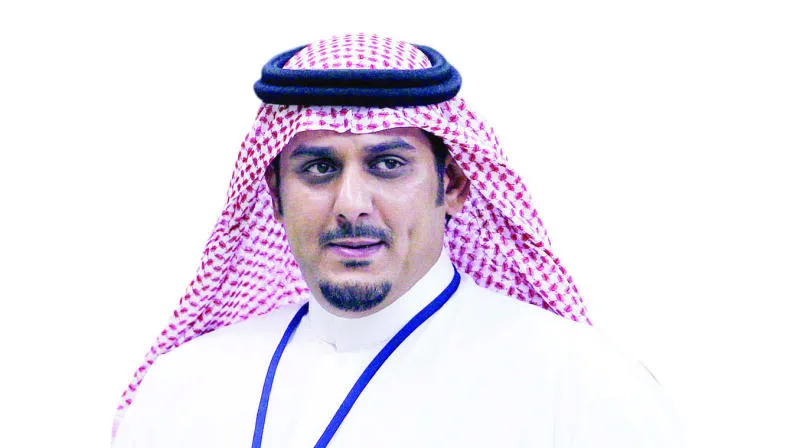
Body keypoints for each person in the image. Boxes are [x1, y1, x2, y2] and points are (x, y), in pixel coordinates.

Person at [112, 33, 683, 447]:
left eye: (387, 164)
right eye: (318, 168)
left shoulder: (580, 386)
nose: (351, 203)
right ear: (275, 194)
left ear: (452, 185)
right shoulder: (180, 391)